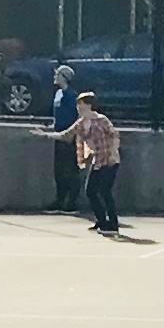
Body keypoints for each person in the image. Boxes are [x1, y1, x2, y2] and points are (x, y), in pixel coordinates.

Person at [66, 94, 126, 234]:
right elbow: (66, 134)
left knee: (105, 191)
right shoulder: (81, 123)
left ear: (88, 105)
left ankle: (113, 225)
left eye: (80, 104)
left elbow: (114, 135)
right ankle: (102, 221)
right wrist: (45, 135)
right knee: (90, 191)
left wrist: (113, 152)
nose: (78, 107)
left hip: (110, 159)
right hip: (97, 160)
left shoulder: (101, 120)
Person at [46, 62, 83, 215]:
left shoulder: (71, 96)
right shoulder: (58, 94)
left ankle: (71, 202)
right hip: (59, 133)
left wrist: (73, 133)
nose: (55, 76)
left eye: (58, 74)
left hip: (69, 135)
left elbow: (77, 115)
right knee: (59, 168)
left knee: (70, 168)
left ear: (65, 77)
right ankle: (60, 199)